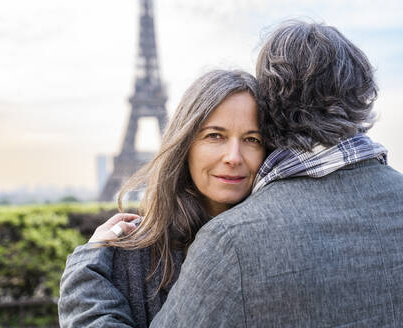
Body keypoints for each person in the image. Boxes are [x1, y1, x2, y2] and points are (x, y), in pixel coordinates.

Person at [148, 21, 403, 327]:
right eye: (214, 136)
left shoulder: (230, 241)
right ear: (362, 97)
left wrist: (96, 279)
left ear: (269, 107)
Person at [58, 69, 266, 327]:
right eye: (215, 136)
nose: (233, 157)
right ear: (185, 143)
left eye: (252, 139)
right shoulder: (130, 254)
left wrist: (83, 270)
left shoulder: (278, 246)